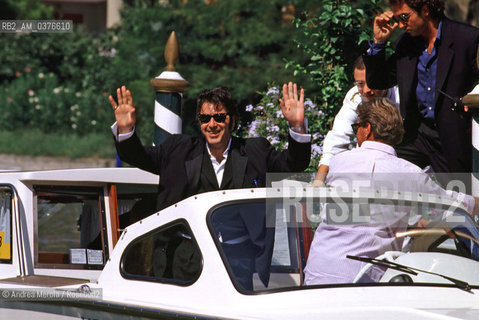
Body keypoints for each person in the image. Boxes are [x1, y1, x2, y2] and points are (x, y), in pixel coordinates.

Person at [304, 97, 478, 285]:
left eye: (357, 128)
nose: (356, 134)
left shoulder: (339, 162)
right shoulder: (410, 174)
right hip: (363, 279)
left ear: (368, 128)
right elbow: (453, 203)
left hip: (317, 272)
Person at [109, 83, 311, 211]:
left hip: (239, 262)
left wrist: (297, 126)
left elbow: (295, 163)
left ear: (232, 119)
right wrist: (126, 129)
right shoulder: (177, 150)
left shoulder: (255, 151)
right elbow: (136, 155)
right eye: (205, 118)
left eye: (219, 117)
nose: (212, 124)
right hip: (185, 263)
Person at [363, 0, 479, 174]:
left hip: (455, 137)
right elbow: (378, 81)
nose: (401, 25)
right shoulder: (406, 44)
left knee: (459, 196)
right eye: (397, 18)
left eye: (404, 17)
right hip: (416, 136)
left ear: (425, 10)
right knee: (387, 176)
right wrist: (379, 42)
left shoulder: (467, 38)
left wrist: (469, 101)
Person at [313, 56, 399, 186]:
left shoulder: (401, 94)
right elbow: (338, 137)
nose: (366, 91)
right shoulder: (355, 97)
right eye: (360, 84)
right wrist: (319, 180)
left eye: (371, 82)